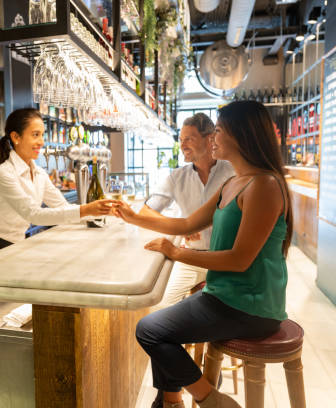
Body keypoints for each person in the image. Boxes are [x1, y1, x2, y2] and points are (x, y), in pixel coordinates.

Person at [113, 100, 292, 408]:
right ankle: (171, 401)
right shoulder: (234, 183)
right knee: (159, 323)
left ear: (239, 134)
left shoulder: (264, 185)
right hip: (224, 294)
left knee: (150, 330)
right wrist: (132, 216)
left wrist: (175, 252)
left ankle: (210, 399)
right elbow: (186, 223)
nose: (215, 138)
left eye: (219, 130)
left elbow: (239, 260)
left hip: (250, 307)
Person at [0, 108, 115, 253]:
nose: (41, 142)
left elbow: (61, 205)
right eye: (35, 135)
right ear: (16, 137)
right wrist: (86, 209)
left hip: (18, 242)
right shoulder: (3, 173)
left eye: (42, 135)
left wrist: (100, 212)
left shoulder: (39, 173)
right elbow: (33, 214)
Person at [141, 113, 234, 309]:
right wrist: (181, 227)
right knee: (160, 307)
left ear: (209, 139)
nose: (182, 145)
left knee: (221, 314)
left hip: (225, 260)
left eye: (189, 139)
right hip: (190, 257)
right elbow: (147, 211)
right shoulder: (177, 177)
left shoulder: (233, 172)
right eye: (181, 140)